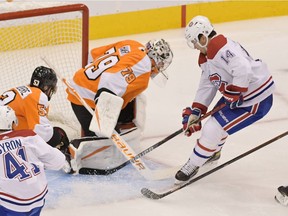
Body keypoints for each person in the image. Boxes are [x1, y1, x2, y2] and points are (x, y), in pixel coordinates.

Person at [174, 15, 275, 184]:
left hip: (255, 99)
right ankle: (212, 152)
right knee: (214, 125)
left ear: (203, 37)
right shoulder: (208, 56)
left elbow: (243, 69)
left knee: (213, 128)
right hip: (241, 97)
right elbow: (208, 83)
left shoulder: (220, 47)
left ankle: (193, 164)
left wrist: (236, 91)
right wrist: (197, 110)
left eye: (195, 42)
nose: (195, 47)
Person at [66, 39, 173, 173]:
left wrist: (90, 81)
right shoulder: (144, 66)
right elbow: (110, 80)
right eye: (161, 63)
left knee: (126, 102)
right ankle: (67, 154)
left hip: (79, 86)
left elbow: (92, 55)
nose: (160, 67)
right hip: (88, 99)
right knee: (106, 147)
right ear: (155, 57)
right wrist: (104, 118)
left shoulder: (132, 44)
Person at [0, 66, 71, 171]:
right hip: (5, 139)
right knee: (56, 136)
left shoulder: (23, 90)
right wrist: (59, 141)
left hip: (3, 132)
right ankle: (66, 163)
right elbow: (42, 132)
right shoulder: (38, 96)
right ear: (46, 87)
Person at [0, 105, 65, 216]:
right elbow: (59, 161)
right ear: (12, 122)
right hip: (38, 198)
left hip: (10, 203)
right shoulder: (29, 136)